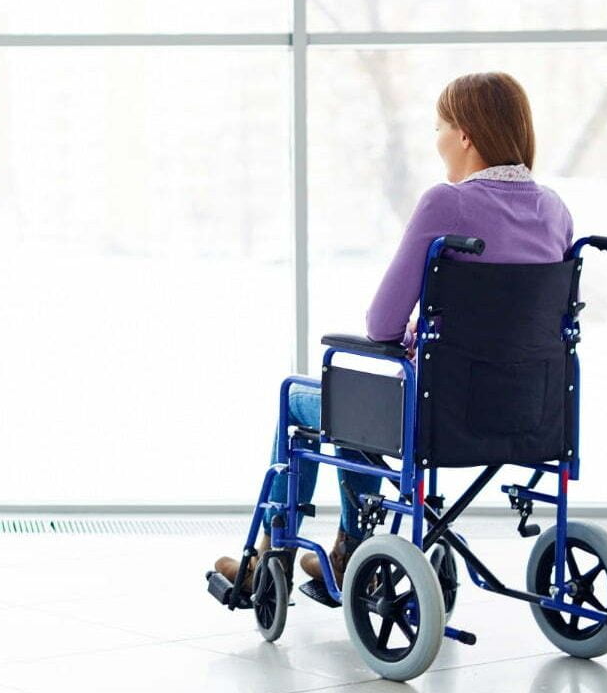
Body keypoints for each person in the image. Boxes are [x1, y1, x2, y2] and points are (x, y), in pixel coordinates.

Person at [215, 71, 574, 589]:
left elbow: (381, 325)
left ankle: (273, 560)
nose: (438, 141)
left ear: (465, 135)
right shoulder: (555, 211)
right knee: (352, 407)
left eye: (439, 128)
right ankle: (349, 548)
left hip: (437, 414)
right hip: (531, 414)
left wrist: (414, 330)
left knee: (304, 400)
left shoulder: (446, 203)